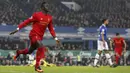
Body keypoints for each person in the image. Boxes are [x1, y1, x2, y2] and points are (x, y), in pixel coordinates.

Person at [9, 1, 60, 72]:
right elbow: (27, 22)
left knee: (29, 51)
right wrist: (18, 28)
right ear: (42, 7)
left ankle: (19, 52)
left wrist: (55, 38)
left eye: (48, 6)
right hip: (33, 35)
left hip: (39, 37)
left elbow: (51, 29)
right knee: (41, 47)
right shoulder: (37, 15)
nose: (48, 7)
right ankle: (37, 66)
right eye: (46, 5)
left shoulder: (49, 18)